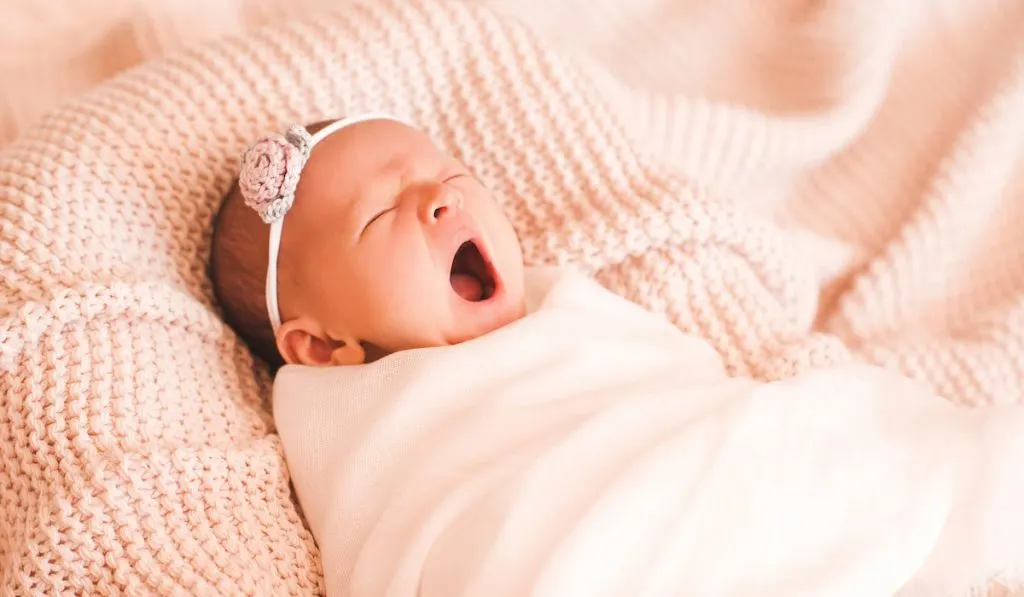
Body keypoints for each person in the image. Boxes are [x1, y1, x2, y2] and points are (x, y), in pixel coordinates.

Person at [210, 114, 528, 370]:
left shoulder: (562, 296)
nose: (442, 195)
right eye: (380, 214)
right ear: (325, 345)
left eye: (451, 177)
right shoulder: (372, 418)